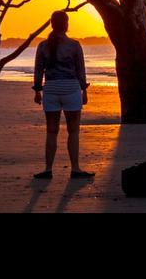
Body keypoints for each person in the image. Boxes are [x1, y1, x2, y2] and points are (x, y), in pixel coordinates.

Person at [32, 11, 94, 180]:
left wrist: (38, 90)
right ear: (66, 24)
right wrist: (84, 90)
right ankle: (75, 169)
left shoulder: (43, 46)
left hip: (51, 89)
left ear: (52, 24)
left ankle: (47, 169)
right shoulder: (74, 45)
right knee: (73, 131)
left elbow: (38, 70)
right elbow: (81, 70)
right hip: (71, 89)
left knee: (51, 131)